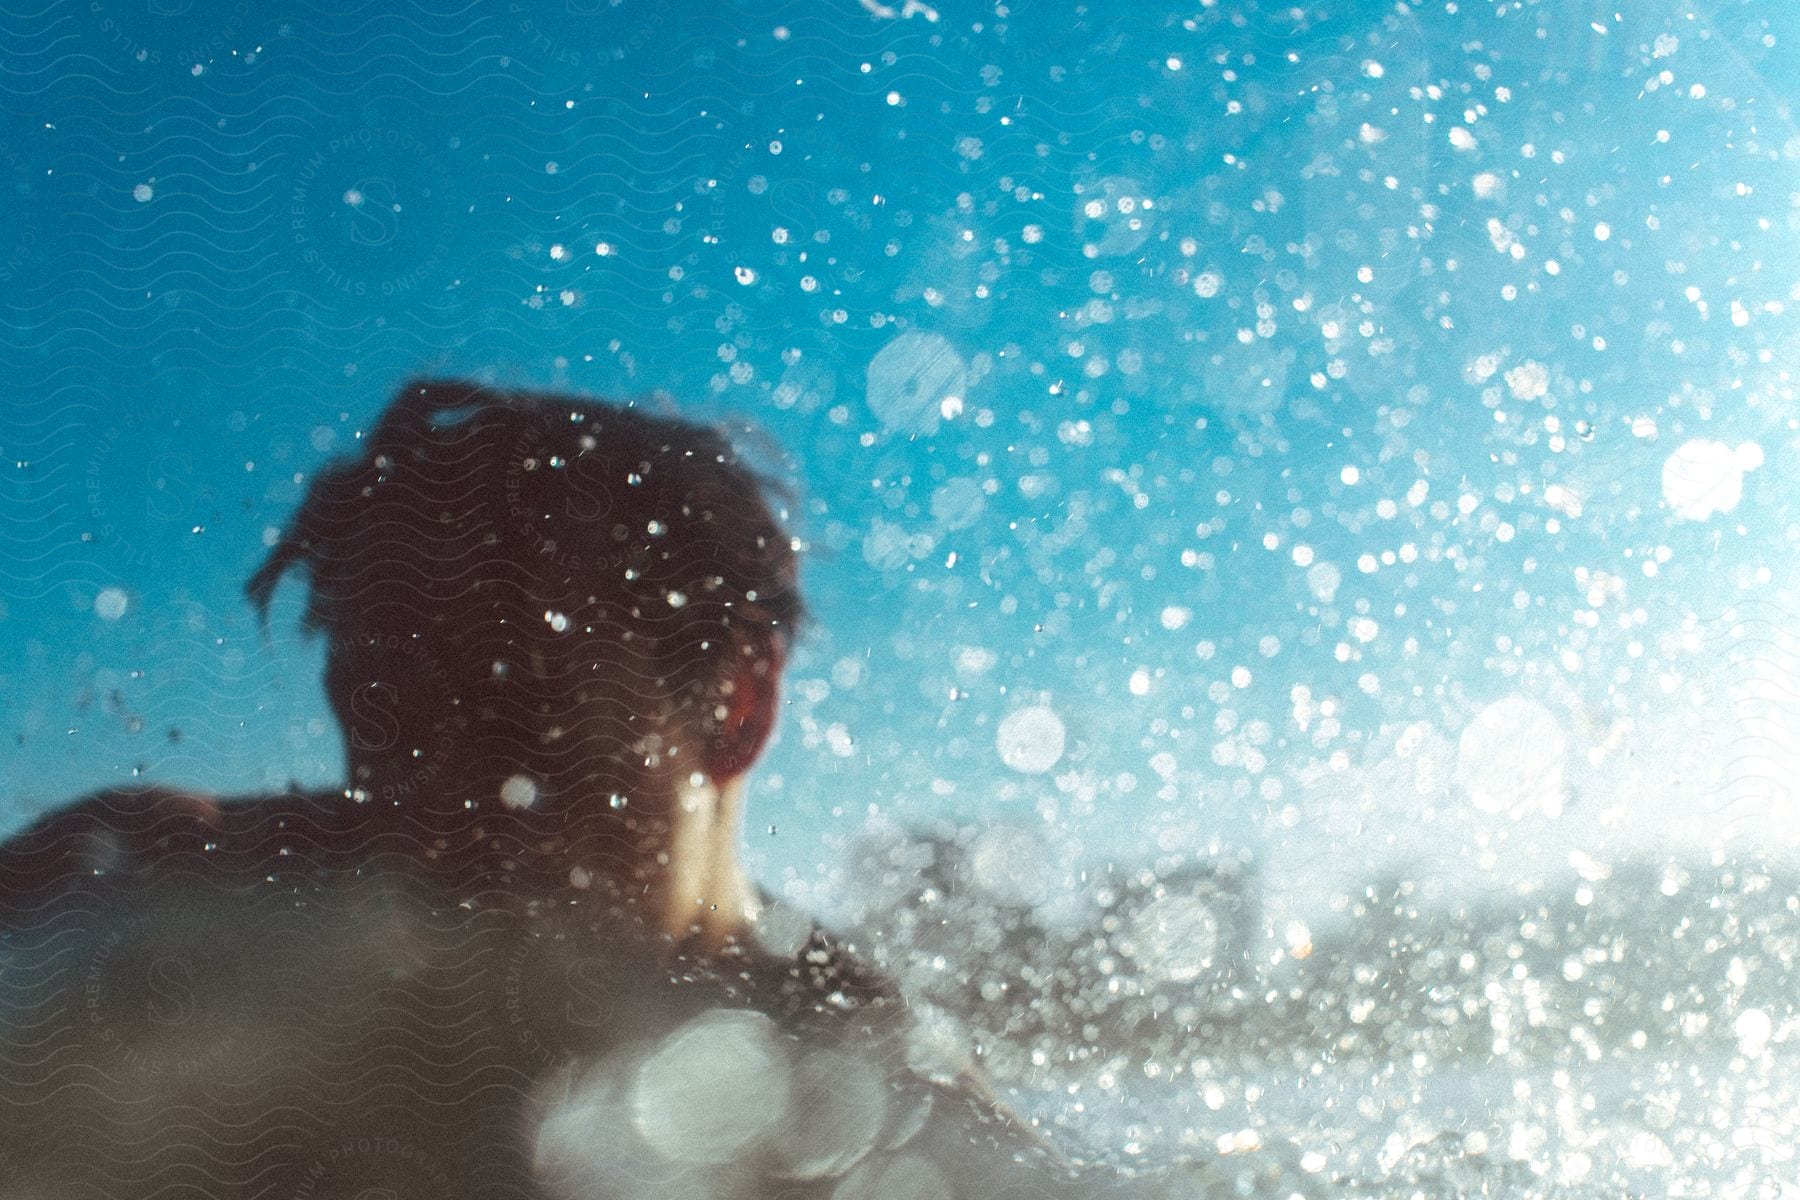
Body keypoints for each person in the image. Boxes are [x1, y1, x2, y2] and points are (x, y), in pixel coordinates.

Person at [0, 379, 1137, 1199]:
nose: (432, 821)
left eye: (517, 730)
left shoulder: (869, 1101)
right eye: (387, 726)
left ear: (738, 705)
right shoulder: (147, 894)